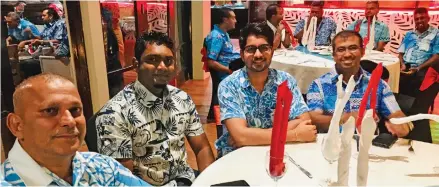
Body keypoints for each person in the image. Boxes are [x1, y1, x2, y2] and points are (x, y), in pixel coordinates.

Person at [95, 31, 215, 186]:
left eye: (168, 61)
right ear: (136, 65)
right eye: (152, 60)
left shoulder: (182, 99)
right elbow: (123, 179)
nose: (162, 67)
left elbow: (201, 148)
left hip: (185, 179)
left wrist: (210, 182)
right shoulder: (114, 114)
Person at [2, 73, 150, 186]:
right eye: (50, 111)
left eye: (75, 110)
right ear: (17, 125)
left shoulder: (101, 166)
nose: (70, 121)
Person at [216, 22, 317, 157]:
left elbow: (305, 121)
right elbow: (240, 137)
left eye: (264, 48)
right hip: (239, 156)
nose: (258, 55)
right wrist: (295, 134)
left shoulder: (286, 81)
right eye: (251, 49)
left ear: (272, 51)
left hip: (281, 154)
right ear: (241, 54)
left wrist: (250, 135)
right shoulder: (229, 85)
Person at [306, 30, 411, 137]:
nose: (347, 54)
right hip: (331, 145)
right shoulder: (319, 85)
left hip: (367, 145)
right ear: (333, 55)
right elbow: (313, 118)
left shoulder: (378, 84)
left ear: (362, 51)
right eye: (341, 50)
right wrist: (344, 118)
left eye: (353, 48)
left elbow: (396, 113)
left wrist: (400, 124)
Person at [205, 7, 243, 122]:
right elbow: (211, 62)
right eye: (233, 18)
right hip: (224, 73)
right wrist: (229, 71)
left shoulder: (223, 34)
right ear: (225, 19)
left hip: (229, 68)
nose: (236, 21)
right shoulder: (216, 36)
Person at [398, 8, 439, 97]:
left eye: (422, 18)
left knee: (415, 84)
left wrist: (418, 68)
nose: (419, 21)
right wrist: (402, 64)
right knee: (393, 80)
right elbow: (400, 53)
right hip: (406, 67)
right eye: (417, 19)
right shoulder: (409, 34)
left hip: (423, 68)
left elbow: (436, 56)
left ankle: (413, 108)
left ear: (428, 18)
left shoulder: (436, 34)